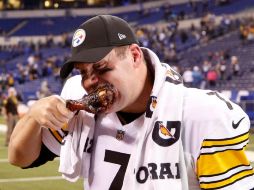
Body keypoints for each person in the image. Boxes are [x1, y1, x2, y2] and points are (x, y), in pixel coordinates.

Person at [8, 15, 254, 190]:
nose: (91, 82)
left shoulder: (201, 115)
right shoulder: (79, 105)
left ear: (135, 56)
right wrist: (32, 116)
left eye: (101, 68)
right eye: (83, 73)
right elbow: (21, 158)